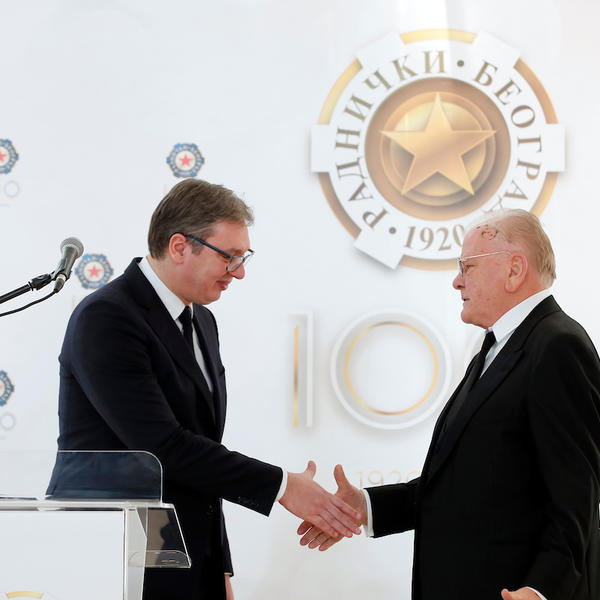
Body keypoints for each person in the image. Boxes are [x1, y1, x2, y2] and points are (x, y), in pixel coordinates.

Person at [55, 178, 360, 600]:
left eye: (243, 257)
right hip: (114, 558)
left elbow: (202, 451)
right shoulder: (107, 317)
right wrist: (283, 486)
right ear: (180, 246)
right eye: (229, 256)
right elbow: (162, 447)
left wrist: (219, 566)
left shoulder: (202, 320)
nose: (240, 271)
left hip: (183, 555)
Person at [298, 209, 600, 600]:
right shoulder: (497, 348)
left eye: (467, 267)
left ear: (514, 269)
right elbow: (463, 487)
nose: (457, 281)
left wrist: (540, 590)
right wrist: (366, 506)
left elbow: (577, 495)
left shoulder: (558, 345)